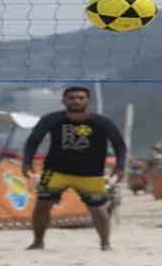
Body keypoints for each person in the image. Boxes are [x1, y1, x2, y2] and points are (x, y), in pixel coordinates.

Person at [22, 86, 126, 251]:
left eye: (80, 98)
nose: (76, 101)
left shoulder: (102, 121)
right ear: (64, 101)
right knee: (42, 205)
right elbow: (33, 140)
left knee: (98, 208)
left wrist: (120, 166)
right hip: (55, 171)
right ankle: (38, 241)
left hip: (91, 174)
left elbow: (119, 145)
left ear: (87, 101)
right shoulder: (51, 119)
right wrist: (26, 162)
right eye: (71, 98)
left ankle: (105, 243)